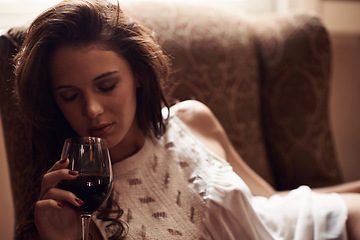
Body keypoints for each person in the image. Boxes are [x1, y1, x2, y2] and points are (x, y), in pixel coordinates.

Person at [13, 0, 360, 239]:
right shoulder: (77, 205)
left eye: (107, 85)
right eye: (70, 96)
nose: (92, 109)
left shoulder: (193, 120)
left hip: (306, 225)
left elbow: (267, 201)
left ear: (137, 75)